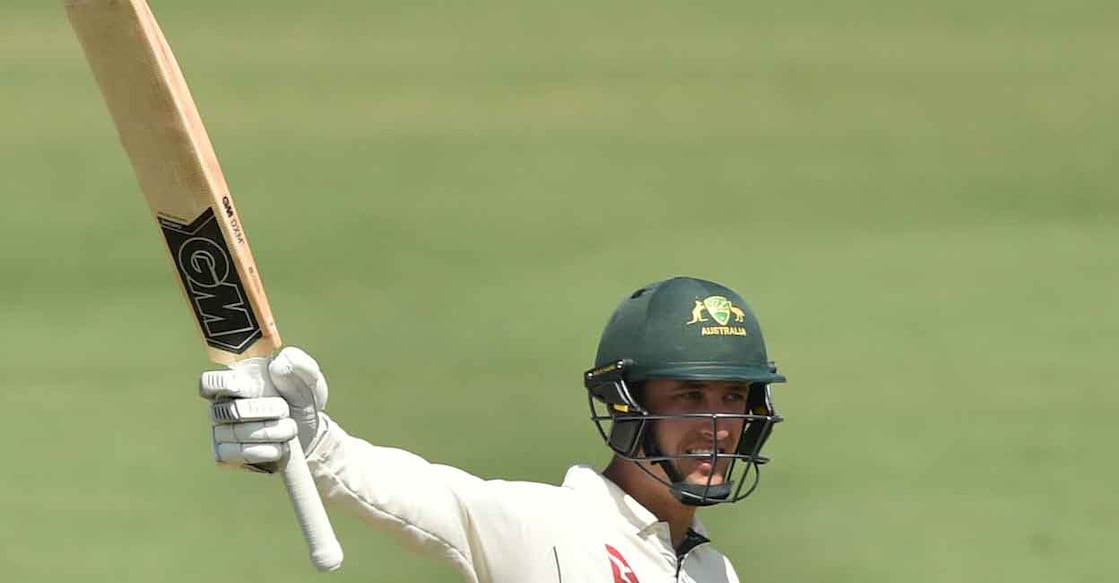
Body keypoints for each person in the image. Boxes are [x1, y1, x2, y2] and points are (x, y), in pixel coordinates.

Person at [199, 276, 787, 582]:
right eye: (689, 396)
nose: (718, 424)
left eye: (733, 397)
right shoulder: (551, 528)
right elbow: (429, 497)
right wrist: (316, 441)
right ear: (625, 405)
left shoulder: (715, 572)